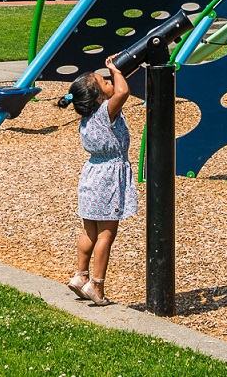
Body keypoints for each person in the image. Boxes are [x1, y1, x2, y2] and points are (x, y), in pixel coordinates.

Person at [56, 55, 134, 307]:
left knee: (89, 232)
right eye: (104, 80)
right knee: (106, 235)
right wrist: (115, 68)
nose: (110, 80)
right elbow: (123, 91)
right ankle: (97, 286)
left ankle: (80, 276)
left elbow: (117, 88)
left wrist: (118, 71)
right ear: (99, 97)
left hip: (91, 175)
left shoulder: (87, 118)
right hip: (109, 178)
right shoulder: (105, 113)